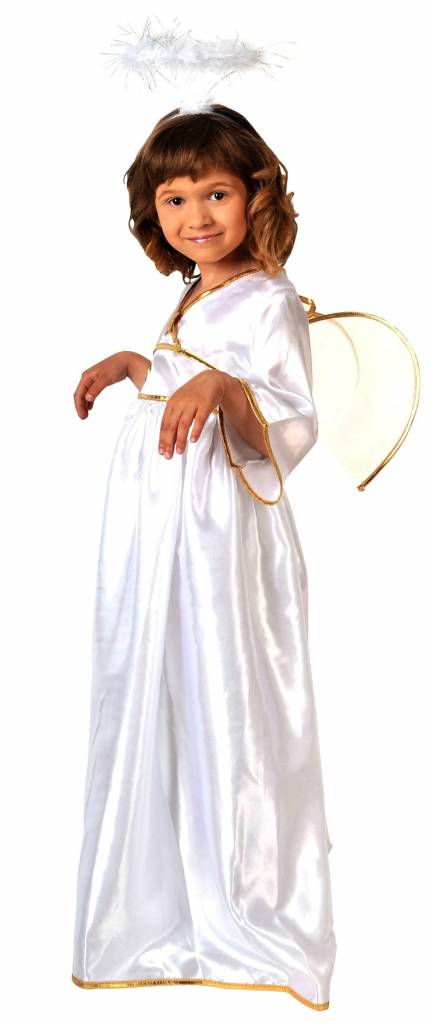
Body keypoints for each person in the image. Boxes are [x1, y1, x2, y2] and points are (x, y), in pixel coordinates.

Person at [71, 103, 336, 1011]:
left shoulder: (267, 298)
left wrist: (224, 386)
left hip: (216, 535)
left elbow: (288, 420)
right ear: (153, 211)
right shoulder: (194, 293)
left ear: (254, 194)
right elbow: (184, 383)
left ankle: (248, 903)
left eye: (215, 193)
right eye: (175, 199)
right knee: (160, 686)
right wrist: (136, 367)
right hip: (157, 532)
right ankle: (167, 903)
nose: (196, 216)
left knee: (224, 693)